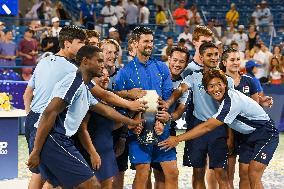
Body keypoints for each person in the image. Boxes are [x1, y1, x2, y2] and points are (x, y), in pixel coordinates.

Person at [23, 26, 145, 189]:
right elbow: (49, 112)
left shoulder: (49, 63)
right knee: (90, 184)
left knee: (52, 182)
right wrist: (130, 101)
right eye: (81, 42)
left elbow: (101, 107)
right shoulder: (73, 74)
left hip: (41, 127)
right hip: (51, 133)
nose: (103, 67)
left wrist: (129, 121)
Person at [159, 69, 279, 189]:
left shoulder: (230, 101)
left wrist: (177, 139)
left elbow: (207, 127)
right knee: (244, 173)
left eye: (219, 84)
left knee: (253, 173)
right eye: (211, 86)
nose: (216, 89)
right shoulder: (224, 100)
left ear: (225, 85)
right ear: (206, 90)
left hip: (266, 134)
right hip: (247, 135)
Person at [160, 42, 232, 189]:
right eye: (209, 55)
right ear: (201, 57)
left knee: (221, 173)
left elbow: (232, 111)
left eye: (216, 55)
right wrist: (168, 103)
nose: (213, 58)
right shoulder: (193, 77)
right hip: (197, 128)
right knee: (198, 172)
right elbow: (179, 91)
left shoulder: (227, 80)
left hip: (219, 129)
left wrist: (230, 136)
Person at [114, 26, 179, 189]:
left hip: (161, 130)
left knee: (172, 172)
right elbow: (119, 103)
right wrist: (130, 123)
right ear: (135, 43)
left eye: (151, 41)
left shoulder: (162, 67)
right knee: (143, 173)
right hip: (138, 131)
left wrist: (163, 122)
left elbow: (166, 100)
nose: (150, 44)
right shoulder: (124, 72)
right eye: (146, 41)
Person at [220, 48, 259, 189]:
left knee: (245, 173)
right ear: (224, 62)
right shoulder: (219, 83)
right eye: (232, 60)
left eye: (237, 59)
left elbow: (256, 108)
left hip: (246, 135)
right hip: (225, 133)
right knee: (227, 174)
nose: (236, 62)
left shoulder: (249, 81)